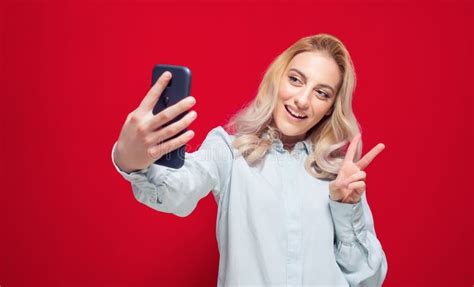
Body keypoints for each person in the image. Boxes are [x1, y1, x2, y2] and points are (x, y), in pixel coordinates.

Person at [111, 33, 388, 286]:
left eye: (321, 93)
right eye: (295, 80)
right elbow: (174, 193)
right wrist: (131, 157)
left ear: (330, 109)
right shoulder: (227, 150)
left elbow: (368, 280)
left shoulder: (339, 176)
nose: (303, 100)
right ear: (277, 79)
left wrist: (345, 208)